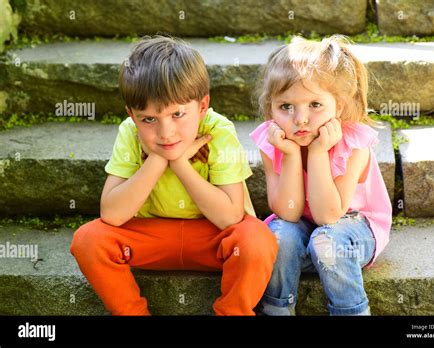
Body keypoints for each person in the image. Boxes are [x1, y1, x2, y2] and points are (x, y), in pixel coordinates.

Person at [70, 35, 278, 316]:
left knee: (258, 239)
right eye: (149, 119)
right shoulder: (130, 133)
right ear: (132, 115)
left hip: (213, 238)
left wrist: (179, 163)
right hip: (148, 237)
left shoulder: (217, 130)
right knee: (88, 240)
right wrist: (158, 159)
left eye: (177, 114)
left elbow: (229, 217)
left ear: (202, 106)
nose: (165, 133)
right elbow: (113, 215)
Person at [250, 36, 392, 316]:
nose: (300, 119)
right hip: (303, 227)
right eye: (286, 107)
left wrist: (317, 154)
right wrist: (291, 155)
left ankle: (350, 311)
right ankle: (277, 308)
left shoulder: (353, 144)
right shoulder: (274, 142)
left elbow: (329, 216)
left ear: (338, 106)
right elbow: (288, 213)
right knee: (278, 235)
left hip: (352, 228)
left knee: (326, 239)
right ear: (271, 108)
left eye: (315, 105)